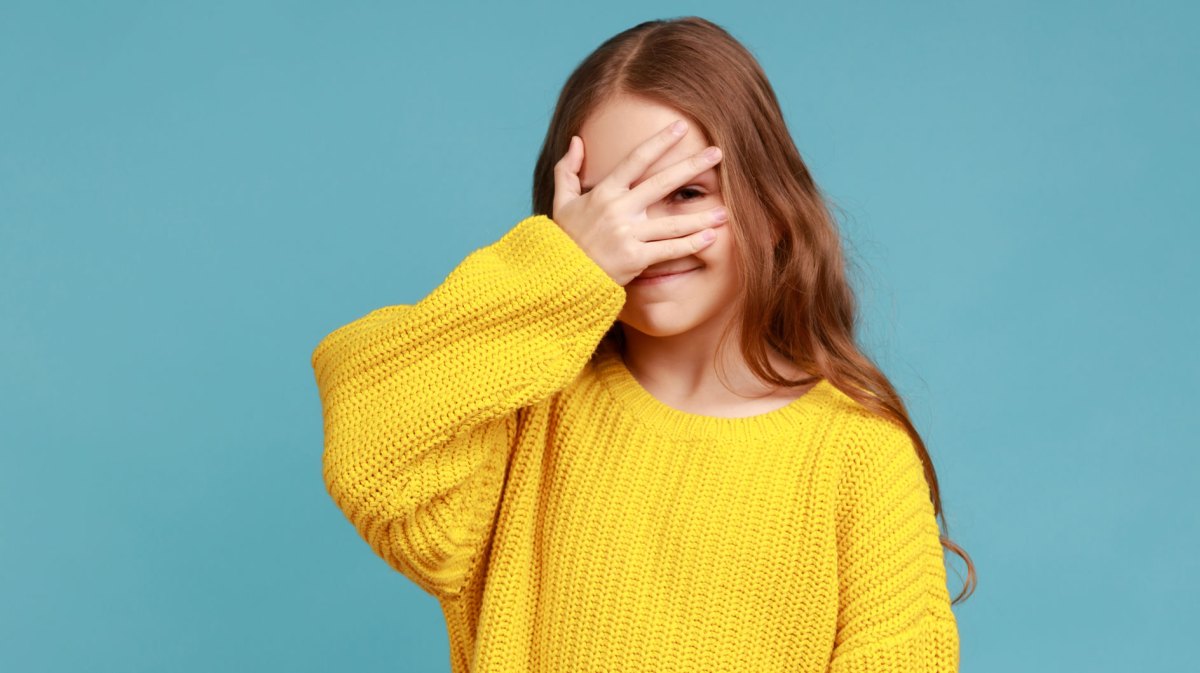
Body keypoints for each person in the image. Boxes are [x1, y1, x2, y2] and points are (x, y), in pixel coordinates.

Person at [311, 15, 975, 673]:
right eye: (609, 204)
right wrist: (563, 270)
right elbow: (372, 450)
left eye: (684, 193)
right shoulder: (525, 413)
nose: (639, 237)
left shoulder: (857, 454)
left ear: (773, 212)